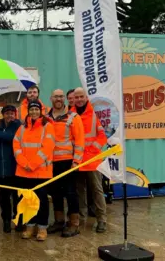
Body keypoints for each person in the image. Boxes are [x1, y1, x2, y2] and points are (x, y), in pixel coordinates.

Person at [13, 100, 55, 241]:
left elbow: (47, 148)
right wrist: (24, 163)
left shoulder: (48, 127)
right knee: (27, 200)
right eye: (32, 110)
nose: (34, 112)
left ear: (41, 111)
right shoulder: (22, 128)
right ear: (28, 111)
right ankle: (29, 226)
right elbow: (16, 146)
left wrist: (33, 164)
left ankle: (42, 228)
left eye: (36, 109)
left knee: (42, 200)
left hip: (41, 172)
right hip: (24, 172)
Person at [46, 89, 85, 237]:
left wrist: (76, 161)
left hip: (68, 162)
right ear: (51, 98)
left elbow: (80, 141)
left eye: (61, 96)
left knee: (70, 193)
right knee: (55, 193)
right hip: (51, 163)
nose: (58, 99)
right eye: (56, 96)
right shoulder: (46, 118)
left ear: (65, 99)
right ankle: (59, 221)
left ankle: (74, 224)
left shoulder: (73, 117)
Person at [72, 87, 108, 233]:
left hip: (93, 160)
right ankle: (82, 219)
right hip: (77, 160)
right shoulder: (71, 114)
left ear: (86, 97)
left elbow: (103, 135)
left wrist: (92, 149)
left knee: (97, 190)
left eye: (82, 96)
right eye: (77, 97)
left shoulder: (95, 113)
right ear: (73, 98)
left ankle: (102, 220)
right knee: (80, 191)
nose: (79, 99)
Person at [0, 105, 22, 233]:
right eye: (7, 113)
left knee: (17, 197)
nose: (9, 116)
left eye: (12, 113)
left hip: (15, 168)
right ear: (3, 115)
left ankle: (19, 220)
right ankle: (6, 220)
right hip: (1, 169)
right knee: (3, 197)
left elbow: (11, 137)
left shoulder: (18, 126)